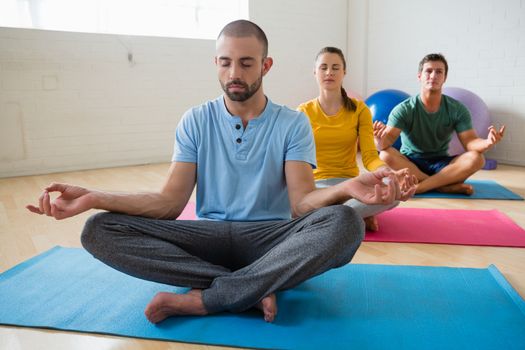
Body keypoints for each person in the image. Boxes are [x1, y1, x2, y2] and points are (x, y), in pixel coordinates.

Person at [26, 20, 416, 324]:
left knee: (345, 223)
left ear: (265, 65)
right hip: (207, 236)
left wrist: (347, 187)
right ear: (216, 63)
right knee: (99, 229)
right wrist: (95, 197)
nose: (235, 72)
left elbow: (301, 204)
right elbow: (169, 203)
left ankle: (208, 296)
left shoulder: (292, 124)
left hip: (271, 237)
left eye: (246, 63)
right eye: (226, 62)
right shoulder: (195, 120)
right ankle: (251, 287)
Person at [298, 47, 412, 231]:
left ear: (344, 72)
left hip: (350, 184)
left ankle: (336, 216)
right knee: (297, 204)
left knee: (392, 191)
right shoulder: (303, 112)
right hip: (315, 185)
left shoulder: (360, 110)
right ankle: (355, 215)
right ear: (315, 72)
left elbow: (369, 156)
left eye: (335, 67)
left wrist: (388, 173)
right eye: (323, 67)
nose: (329, 72)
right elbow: (297, 160)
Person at [373, 53, 505, 194]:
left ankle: (420, 187)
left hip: (442, 164)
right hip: (411, 163)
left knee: (477, 159)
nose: (433, 75)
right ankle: (442, 185)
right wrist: (378, 140)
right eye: (428, 71)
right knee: (385, 155)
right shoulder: (404, 109)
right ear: (420, 76)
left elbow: (470, 142)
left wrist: (487, 143)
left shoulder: (457, 109)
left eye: (439, 72)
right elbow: (385, 144)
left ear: (444, 78)